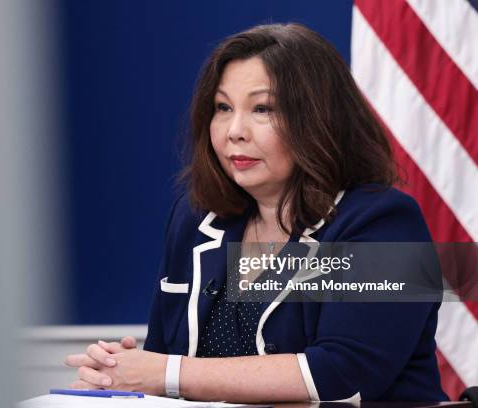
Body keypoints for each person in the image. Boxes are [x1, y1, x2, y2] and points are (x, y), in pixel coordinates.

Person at [64, 23, 448, 403]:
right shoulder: (197, 217)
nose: (235, 131)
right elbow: (164, 357)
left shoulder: (384, 222)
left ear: (319, 118)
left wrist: (164, 373)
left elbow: (342, 374)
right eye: (223, 107)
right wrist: (124, 371)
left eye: (262, 109)